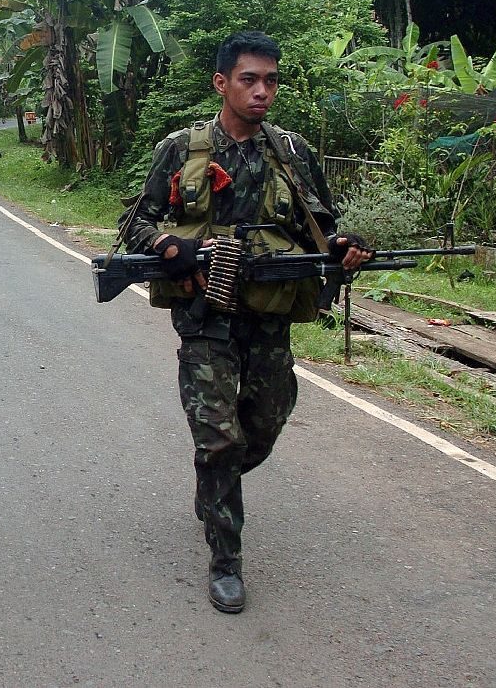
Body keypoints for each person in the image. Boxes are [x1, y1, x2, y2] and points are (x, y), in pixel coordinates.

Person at [119, 30, 372, 614]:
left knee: (266, 419)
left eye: (271, 81)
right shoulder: (182, 150)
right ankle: (226, 559)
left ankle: (215, 483)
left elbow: (322, 226)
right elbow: (134, 225)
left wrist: (345, 245)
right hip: (205, 314)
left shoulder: (291, 151)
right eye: (249, 79)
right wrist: (166, 243)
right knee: (218, 435)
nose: (262, 92)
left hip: (270, 316)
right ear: (222, 83)